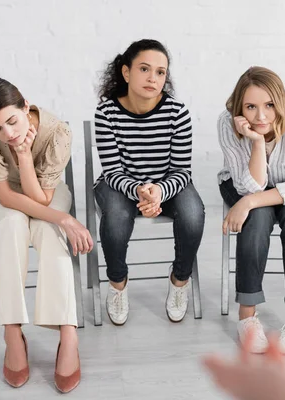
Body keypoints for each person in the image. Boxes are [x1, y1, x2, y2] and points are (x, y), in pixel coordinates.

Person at [0, 77, 91, 393]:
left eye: (12, 121)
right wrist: (65, 219)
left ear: (26, 106)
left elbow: (41, 201)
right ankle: (12, 332)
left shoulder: (57, 133)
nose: (7, 134)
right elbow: (8, 199)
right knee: (12, 223)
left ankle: (68, 333)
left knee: (47, 229)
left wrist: (23, 158)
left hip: (45, 194)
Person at [94, 39, 205, 326]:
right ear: (126, 72)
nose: (153, 78)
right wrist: (139, 191)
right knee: (117, 215)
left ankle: (180, 280)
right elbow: (112, 171)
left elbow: (182, 171)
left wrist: (158, 192)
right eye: (144, 69)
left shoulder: (177, 114)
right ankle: (117, 283)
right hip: (119, 184)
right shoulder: (106, 113)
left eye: (160, 72)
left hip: (168, 184)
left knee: (193, 214)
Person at [217, 66, 285, 355]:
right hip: (243, 185)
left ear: (280, 100)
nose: (261, 116)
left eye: (269, 105)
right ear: (240, 107)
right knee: (258, 216)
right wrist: (255, 142)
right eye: (251, 107)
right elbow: (250, 187)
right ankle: (247, 315)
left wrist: (250, 202)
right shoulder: (227, 123)